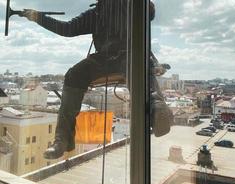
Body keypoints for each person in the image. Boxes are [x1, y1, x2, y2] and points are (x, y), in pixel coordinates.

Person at [20, 0, 173, 159]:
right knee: (74, 75)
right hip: (109, 58)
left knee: (138, 66)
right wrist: (38, 17)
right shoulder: (99, 13)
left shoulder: (133, 7)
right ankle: (62, 138)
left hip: (130, 55)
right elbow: (68, 29)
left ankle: (157, 108)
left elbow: (150, 12)